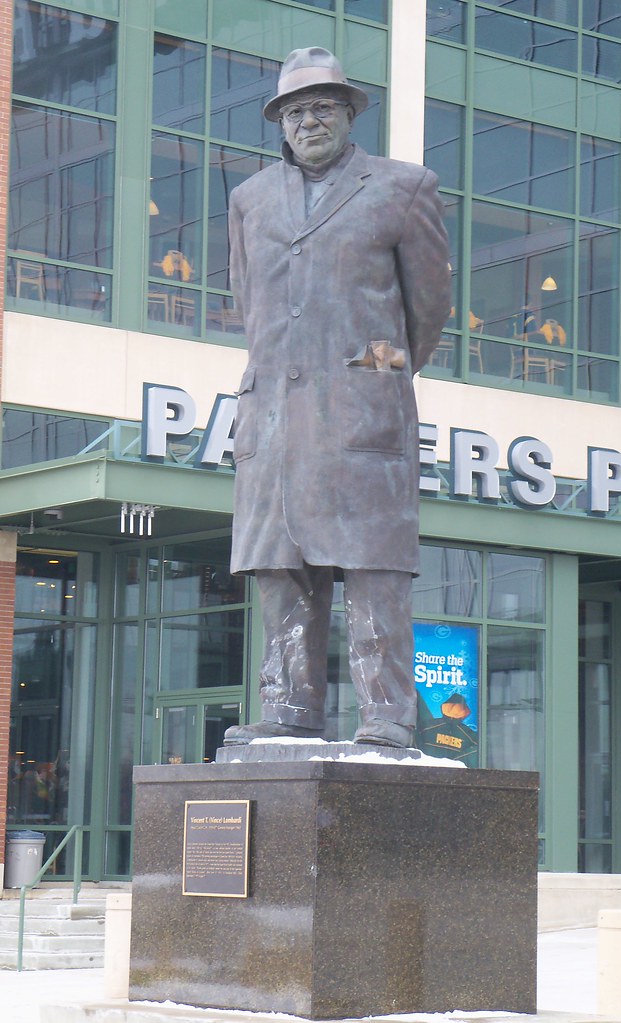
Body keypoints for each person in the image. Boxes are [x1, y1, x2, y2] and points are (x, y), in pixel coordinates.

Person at [223, 47, 451, 749]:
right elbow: (248, 303)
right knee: (279, 567)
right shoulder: (250, 200)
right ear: (280, 123)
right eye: (295, 110)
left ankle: (386, 713)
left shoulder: (403, 188)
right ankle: (289, 704)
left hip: (359, 416)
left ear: (350, 113)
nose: (309, 119)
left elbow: (428, 310)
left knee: (373, 568)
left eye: (323, 105)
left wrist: (370, 370)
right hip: (272, 417)